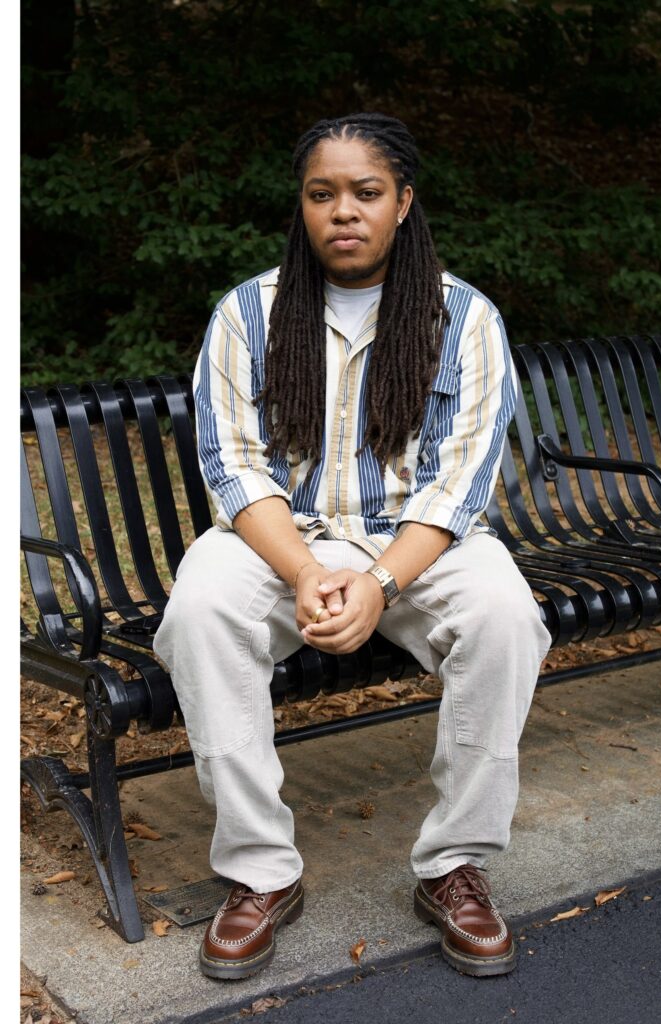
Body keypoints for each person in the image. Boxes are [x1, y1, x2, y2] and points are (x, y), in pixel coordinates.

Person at [153, 112, 552, 981]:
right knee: (200, 610)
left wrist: (374, 580)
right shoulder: (246, 315)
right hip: (279, 536)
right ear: (300, 206)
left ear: (403, 203)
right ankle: (260, 872)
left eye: (366, 193)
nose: (343, 211)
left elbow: (460, 483)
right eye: (321, 193)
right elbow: (233, 468)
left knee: (505, 617)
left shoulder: (464, 317)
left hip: (420, 543)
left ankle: (452, 865)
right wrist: (303, 570)